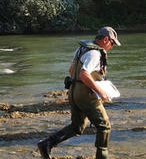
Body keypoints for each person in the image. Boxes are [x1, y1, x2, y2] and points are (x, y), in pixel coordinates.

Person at [37, 27, 121, 159]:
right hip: (86, 95)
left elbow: (72, 70)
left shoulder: (82, 49)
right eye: (112, 43)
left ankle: (47, 144)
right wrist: (101, 92)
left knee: (77, 127)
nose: (112, 46)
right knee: (104, 126)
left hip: (73, 92)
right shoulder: (95, 54)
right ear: (105, 39)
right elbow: (84, 74)